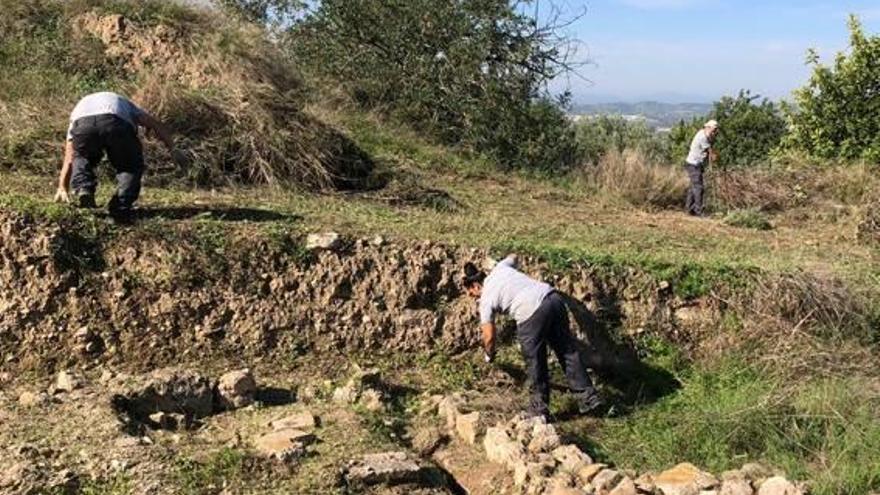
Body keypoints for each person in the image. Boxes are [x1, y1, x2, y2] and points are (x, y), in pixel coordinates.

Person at [462, 256, 604, 420]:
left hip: (530, 311)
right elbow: (514, 257)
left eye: (471, 292)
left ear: (476, 285)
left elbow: (489, 336)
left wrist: (489, 354)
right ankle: (589, 398)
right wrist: (495, 264)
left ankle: (539, 409)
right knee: (567, 351)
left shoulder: (486, 299)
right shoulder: (500, 268)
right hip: (552, 298)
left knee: (534, 360)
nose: (473, 296)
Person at [54, 92, 186, 222]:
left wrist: (62, 186)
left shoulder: (78, 111)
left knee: (82, 156)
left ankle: (84, 188)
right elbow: (155, 125)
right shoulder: (125, 104)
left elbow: (70, 156)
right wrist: (173, 148)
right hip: (115, 121)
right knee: (129, 165)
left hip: (83, 125)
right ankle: (120, 207)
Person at [684, 119, 719, 217]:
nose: (715, 132)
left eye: (716, 130)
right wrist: (714, 157)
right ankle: (698, 211)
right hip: (694, 165)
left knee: (693, 187)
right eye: (714, 129)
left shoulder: (704, 133)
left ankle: (689, 209)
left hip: (694, 164)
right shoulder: (703, 137)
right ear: (708, 127)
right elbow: (710, 151)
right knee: (699, 188)